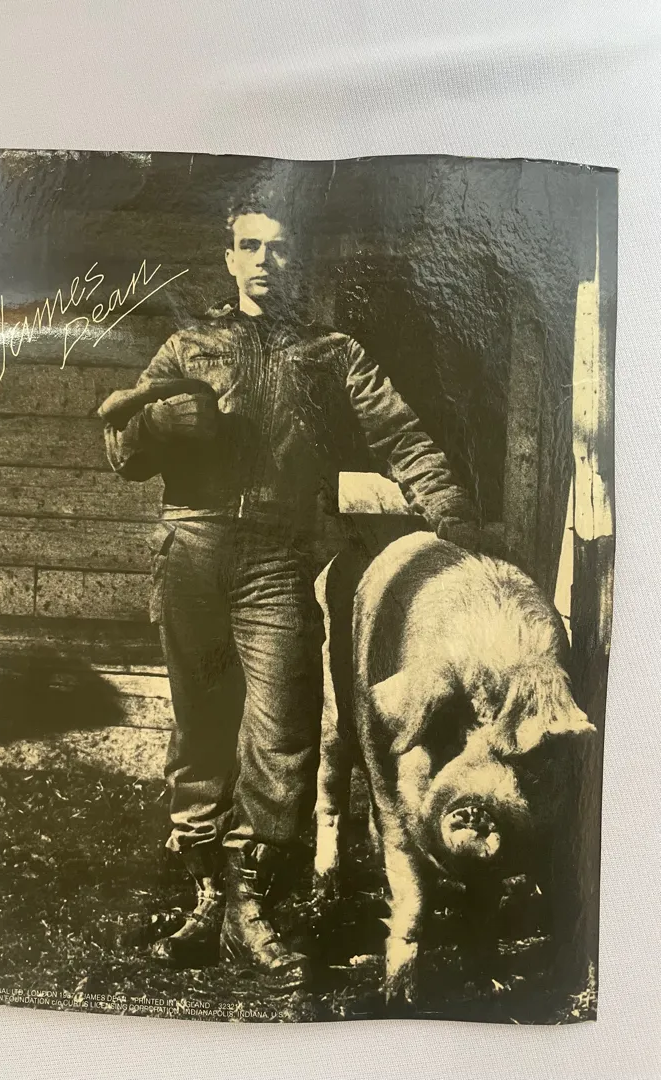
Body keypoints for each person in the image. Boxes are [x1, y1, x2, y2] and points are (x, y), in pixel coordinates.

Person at [98, 190, 479, 989]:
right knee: (202, 732)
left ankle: (252, 908)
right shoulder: (188, 346)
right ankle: (208, 900)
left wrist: (448, 508)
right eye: (250, 246)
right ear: (229, 258)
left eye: (278, 246)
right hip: (192, 547)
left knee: (283, 735)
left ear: (295, 257)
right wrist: (153, 427)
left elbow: (401, 433)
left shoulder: (331, 353)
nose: (265, 260)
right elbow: (122, 448)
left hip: (276, 557)